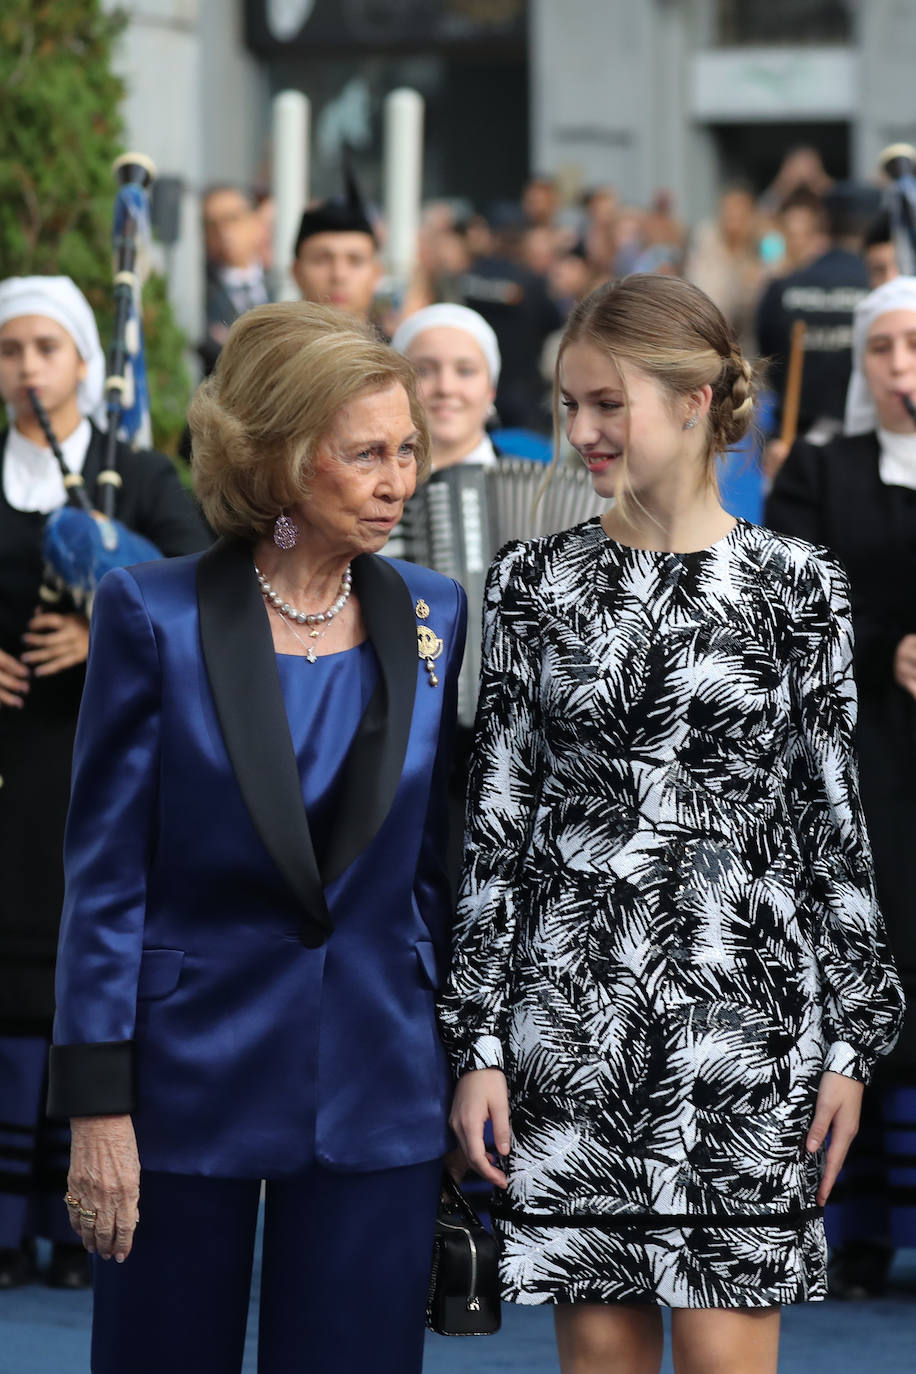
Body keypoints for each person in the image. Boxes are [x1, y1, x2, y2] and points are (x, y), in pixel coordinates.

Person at [439, 274, 904, 1373]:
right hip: (572, 1021)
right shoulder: (529, 585)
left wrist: (852, 1038)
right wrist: (478, 1043)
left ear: (697, 399)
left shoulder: (798, 588)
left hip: (745, 1028)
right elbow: (496, 825)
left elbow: (829, 821)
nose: (583, 431)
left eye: (610, 403)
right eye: (569, 405)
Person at [46, 301, 467, 1374]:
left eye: (408, 449)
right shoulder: (154, 614)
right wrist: (101, 1107)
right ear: (282, 461)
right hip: (189, 1073)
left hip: (380, 1071)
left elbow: (434, 866)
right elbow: (104, 883)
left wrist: (460, 1051)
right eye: (364, 453)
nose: (396, 479)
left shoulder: (434, 614)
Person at [0, 276, 209, 1290]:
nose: (29, 367)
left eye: (47, 347)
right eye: (11, 349)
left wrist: (103, 633)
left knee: (75, 969)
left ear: (87, 361)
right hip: (7, 777)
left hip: (104, 763)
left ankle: (77, 1225)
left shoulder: (138, 476)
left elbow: (205, 586)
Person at [766, 275, 916, 1299]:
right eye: (883, 351)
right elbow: (783, 608)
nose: (902, 370)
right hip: (864, 759)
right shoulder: (821, 467)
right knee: (868, 966)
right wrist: (882, 649)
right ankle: (856, 1227)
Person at [291, 174, 381, 325]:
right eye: (321, 260)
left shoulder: (401, 347)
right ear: (296, 272)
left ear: (376, 273)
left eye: (355, 260)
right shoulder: (267, 348)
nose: (339, 275)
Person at [201, 185, 272, 370]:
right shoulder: (201, 293)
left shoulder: (284, 285)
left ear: (256, 222)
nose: (223, 231)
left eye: (232, 219)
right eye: (211, 224)